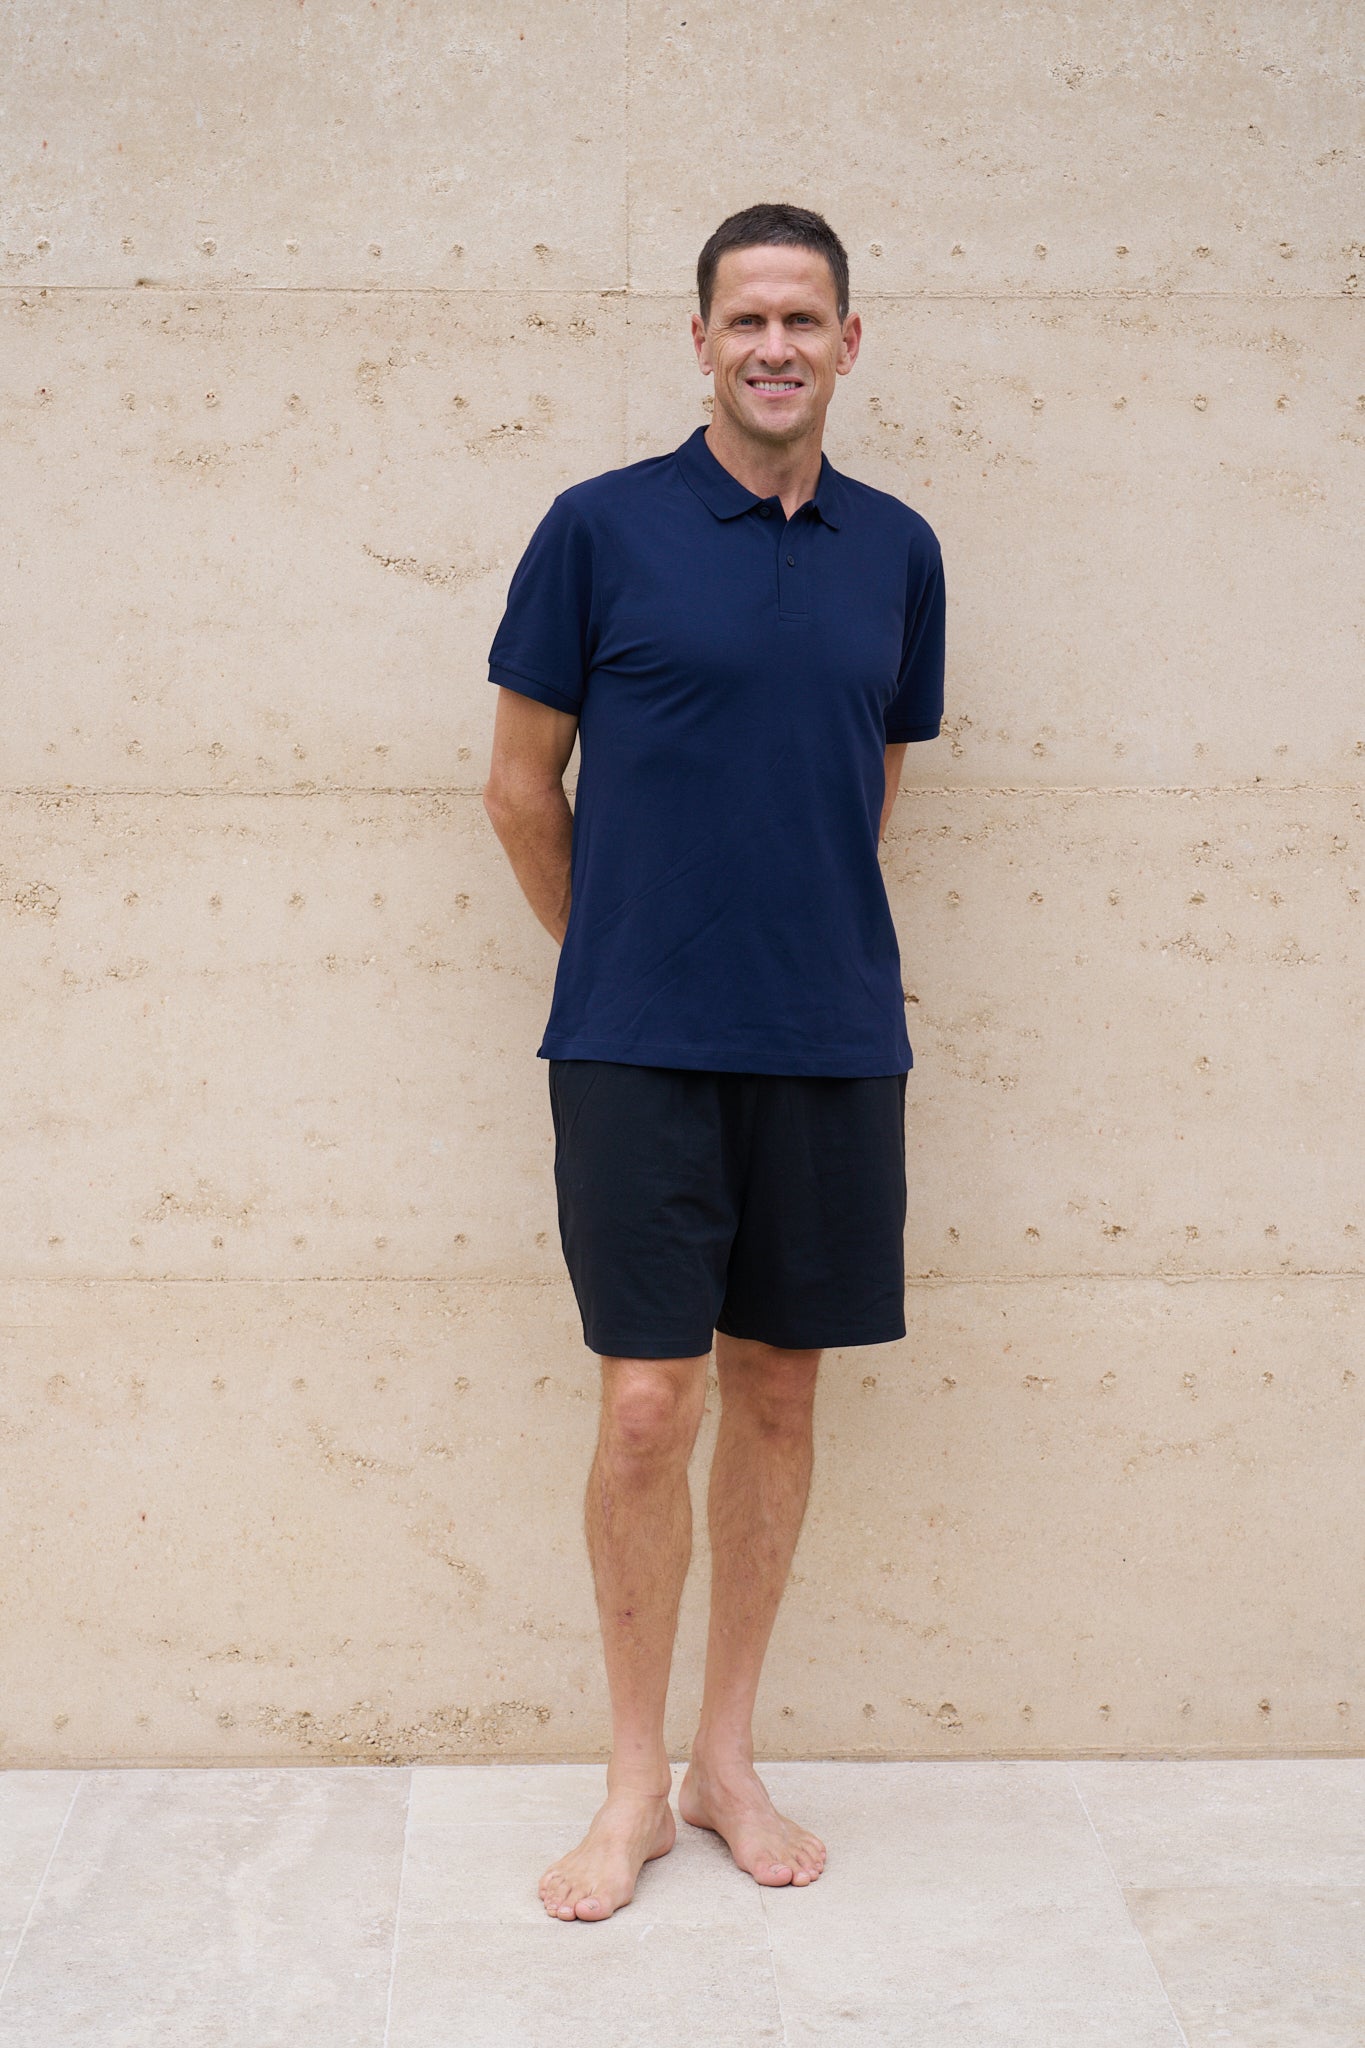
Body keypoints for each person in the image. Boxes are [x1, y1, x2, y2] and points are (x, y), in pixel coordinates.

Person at [481, 202, 946, 1923]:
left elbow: (868, 784)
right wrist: (619, 958)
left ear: (845, 341)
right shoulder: (595, 531)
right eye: (743, 316)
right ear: (698, 341)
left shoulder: (897, 549)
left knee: (777, 1392)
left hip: (830, 1039)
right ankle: (628, 1787)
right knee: (645, 1406)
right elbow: (520, 786)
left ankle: (724, 1761)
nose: (772, 345)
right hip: (632, 1048)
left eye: (801, 319)